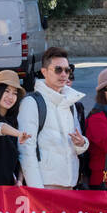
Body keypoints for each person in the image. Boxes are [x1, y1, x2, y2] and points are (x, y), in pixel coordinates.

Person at [19, 47, 89, 189]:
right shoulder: (32, 103)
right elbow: (26, 150)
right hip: (45, 185)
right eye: (58, 69)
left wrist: (81, 143)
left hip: (71, 183)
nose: (64, 74)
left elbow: (78, 142)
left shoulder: (70, 102)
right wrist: (37, 190)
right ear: (44, 72)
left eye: (67, 70)